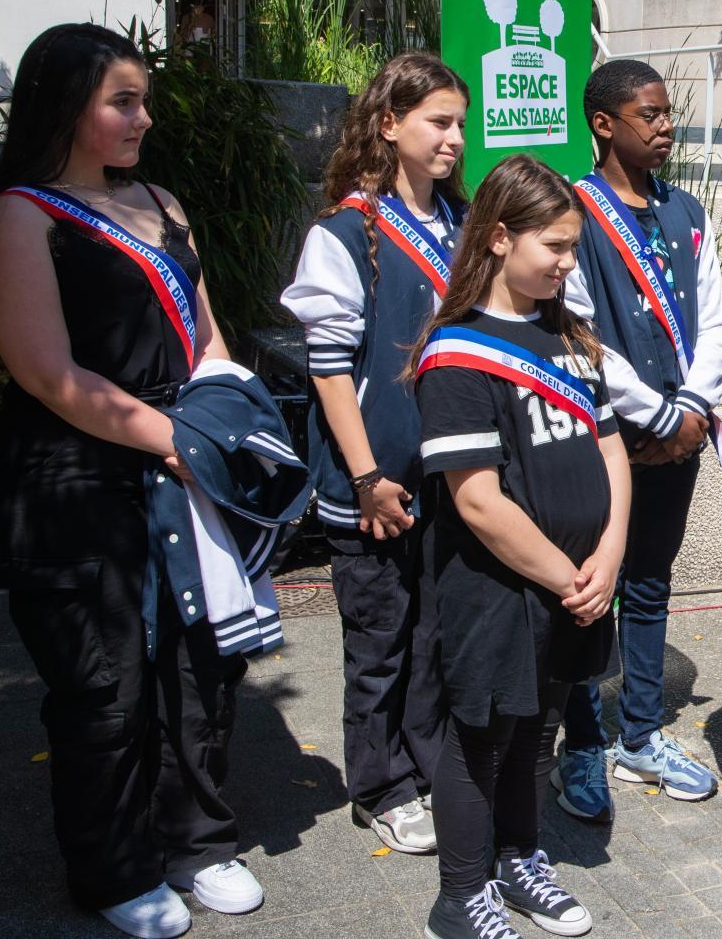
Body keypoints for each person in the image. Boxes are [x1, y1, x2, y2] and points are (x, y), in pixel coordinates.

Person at [0, 23, 261, 937]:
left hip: (178, 458)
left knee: (199, 661)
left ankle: (197, 840)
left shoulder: (163, 202)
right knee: (105, 683)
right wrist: (170, 437)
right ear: (67, 106)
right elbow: (47, 375)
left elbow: (207, 337)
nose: (145, 117)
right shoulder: (22, 217)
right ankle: (114, 868)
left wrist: (216, 420)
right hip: (75, 476)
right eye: (122, 101)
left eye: (144, 99)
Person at [414, 155, 626, 939]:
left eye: (574, 248)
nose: (570, 263)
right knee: (484, 737)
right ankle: (460, 895)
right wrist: (571, 574)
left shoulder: (569, 335)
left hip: (578, 581)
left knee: (540, 728)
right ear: (499, 238)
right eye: (557, 248)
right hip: (500, 589)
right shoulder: (459, 350)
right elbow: (477, 499)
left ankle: (520, 858)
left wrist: (610, 554)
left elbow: (611, 452)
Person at [281, 52, 468, 855]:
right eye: (438, 122)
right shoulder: (344, 234)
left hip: (450, 478)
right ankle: (381, 784)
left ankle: (427, 765)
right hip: (377, 484)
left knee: (434, 635)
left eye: (460, 123)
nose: (455, 138)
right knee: (380, 640)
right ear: (388, 125)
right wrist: (365, 478)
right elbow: (329, 372)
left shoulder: (461, 226)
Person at [555, 59, 722, 819]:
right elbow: (576, 329)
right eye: (649, 115)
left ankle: (639, 735)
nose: (665, 128)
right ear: (603, 123)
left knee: (653, 580)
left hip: (678, 432)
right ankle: (582, 743)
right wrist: (654, 415)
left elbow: (717, 311)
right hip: (607, 439)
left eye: (667, 115)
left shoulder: (685, 209)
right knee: (590, 590)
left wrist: (691, 402)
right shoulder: (573, 212)